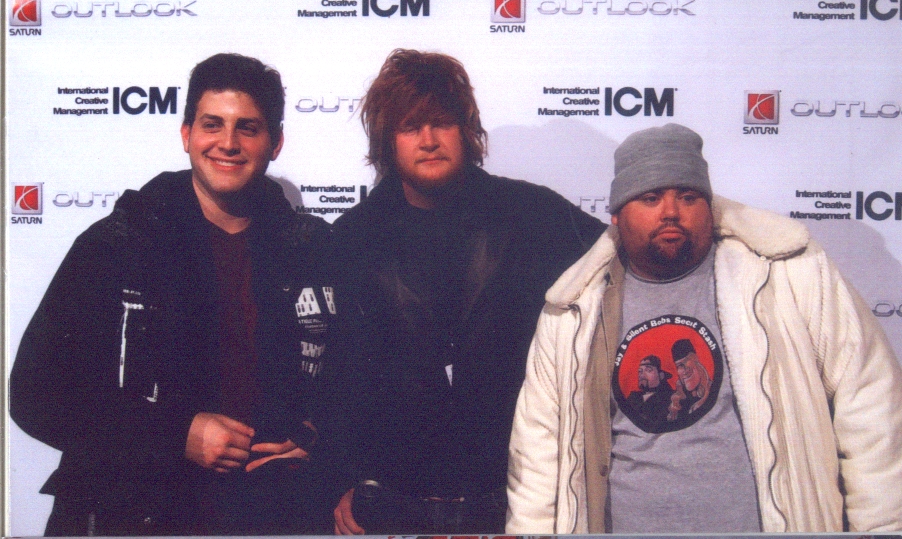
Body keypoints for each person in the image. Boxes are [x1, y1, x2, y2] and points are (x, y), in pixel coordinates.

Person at [507, 123, 902, 533]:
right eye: (650, 197)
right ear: (617, 214)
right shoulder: (574, 310)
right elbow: (538, 455)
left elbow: (872, 411)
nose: (671, 211)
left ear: (709, 206)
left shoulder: (786, 276)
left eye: (688, 196)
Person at [10, 53, 335, 536]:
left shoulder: (314, 247)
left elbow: (363, 376)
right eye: (212, 125)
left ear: (276, 142)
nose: (228, 143)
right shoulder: (118, 244)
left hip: (269, 516)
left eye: (248, 127)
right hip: (134, 517)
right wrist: (174, 433)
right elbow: (35, 394)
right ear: (186, 135)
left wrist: (321, 439)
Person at [319, 49, 605, 535]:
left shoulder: (530, 214)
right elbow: (337, 375)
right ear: (388, 140)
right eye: (410, 126)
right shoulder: (352, 238)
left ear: (465, 129)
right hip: (393, 505)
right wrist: (337, 479)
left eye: (442, 122)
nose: (428, 140)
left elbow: (626, 257)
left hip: (511, 501)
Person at [625, 354, 674, 430]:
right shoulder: (633, 397)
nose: (642, 375)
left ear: (661, 375)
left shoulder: (671, 398)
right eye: (640, 371)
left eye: (648, 370)